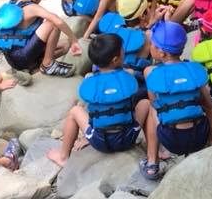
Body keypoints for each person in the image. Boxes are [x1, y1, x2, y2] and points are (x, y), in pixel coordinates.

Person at [47, 33, 149, 166]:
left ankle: (63, 156)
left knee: (75, 111)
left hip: (100, 141)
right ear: (116, 59)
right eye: (122, 50)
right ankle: (153, 152)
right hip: (128, 137)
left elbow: (91, 107)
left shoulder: (89, 80)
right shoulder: (128, 75)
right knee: (145, 103)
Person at [141, 20, 212, 179]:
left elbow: (155, 102)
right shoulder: (194, 70)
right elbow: (209, 106)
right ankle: (209, 147)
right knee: (201, 100)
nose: (150, 47)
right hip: (199, 135)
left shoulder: (150, 72)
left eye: (152, 45)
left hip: (172, 138)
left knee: (152, 107)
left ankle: (152, 163)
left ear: (161, 53)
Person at [0, 0, 81, 77]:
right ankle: (47, 65)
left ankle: (33, 67)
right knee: (52, 22)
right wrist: (74, 40)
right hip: (21, 58)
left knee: (64, 46)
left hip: (14, 58)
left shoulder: (16, 2)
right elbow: (57, 21)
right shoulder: (31, 8)